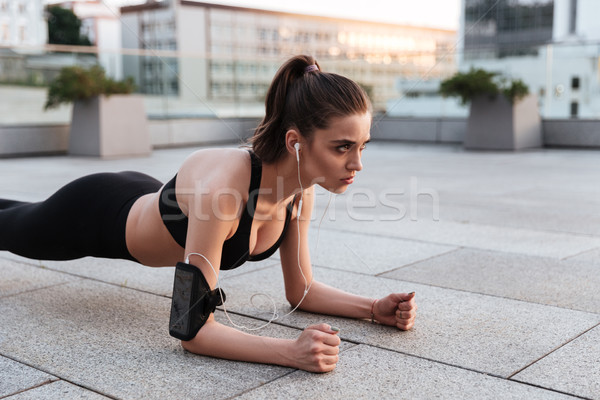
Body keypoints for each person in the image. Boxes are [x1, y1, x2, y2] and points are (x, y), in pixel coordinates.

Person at [0, 55, 416, 373]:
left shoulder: (298, 193)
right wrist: (291, 352)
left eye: (363, 146)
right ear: (296, 143)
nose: (357, 164)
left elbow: (301, 290)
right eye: (342, 147)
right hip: (96, 211)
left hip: (143, 189)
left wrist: (373, 306)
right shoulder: (224, 193)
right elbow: (191, 328)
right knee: (11, 226)